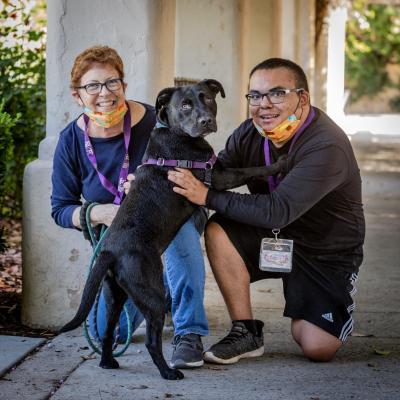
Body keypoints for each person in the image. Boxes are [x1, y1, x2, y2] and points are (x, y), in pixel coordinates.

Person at [168, 58, 365, 364]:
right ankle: (246, 331)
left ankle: (330, 304)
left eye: (277, 93)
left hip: (325, 250)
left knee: (316, 347)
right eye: (256, 96)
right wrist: (156, 173)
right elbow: (215, 174)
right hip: (276, 235)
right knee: (219, 229)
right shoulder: (249, 133)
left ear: (303, 98)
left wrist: (205, 195)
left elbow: (278, 210)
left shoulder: (327, 145)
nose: (264, 105)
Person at [51, 45, 208, 369]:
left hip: (172, 216)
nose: (104, 93)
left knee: (179, 235)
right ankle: (164, 290)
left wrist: (159, 180)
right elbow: (60, 208)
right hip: (126, 240)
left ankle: (189, 332)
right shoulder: (70, 141)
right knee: (111, 331)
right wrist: (98, 212)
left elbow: (198, 164)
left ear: (123, 84)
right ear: (77, 95)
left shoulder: (158, 120)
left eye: (112, 83)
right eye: (92, 86)